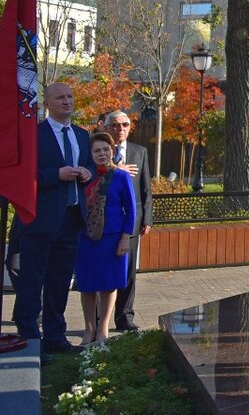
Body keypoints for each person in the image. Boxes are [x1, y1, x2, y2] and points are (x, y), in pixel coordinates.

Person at [13, 82, 93, 356]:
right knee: (32, 282)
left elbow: (92, 166)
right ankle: (29, 337)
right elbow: (23, 177)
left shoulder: (82, 135)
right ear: (47, 103)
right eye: (60, 98)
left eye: (70, 96)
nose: (67, 101)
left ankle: (55, 337)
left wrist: (87, 173)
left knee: (60, 282)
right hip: (40, 220)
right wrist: (55, 176)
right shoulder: (35, 135)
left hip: (71, 219)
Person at [74, 132, 136, 345]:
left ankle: (103, 329)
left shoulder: (121, 176)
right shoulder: (84, 177)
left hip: (112, 238)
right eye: (97, 150)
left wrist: (125, 238)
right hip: (86, 238)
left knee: (109, 284)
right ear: (90, 154)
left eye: (106, 149)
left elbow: (131, 209)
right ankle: (89, 329)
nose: (102, 154)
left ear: (112, 150)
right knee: (87, 284)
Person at [103, 110, 153, 332]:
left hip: (132, 221)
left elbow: (146, 189)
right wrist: (116, 169)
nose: (120, 129)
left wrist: (148, 218)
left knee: (127, 272)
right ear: (106, 128)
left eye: (124, 124)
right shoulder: (99, 150)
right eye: (115, 125)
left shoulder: (139, 151)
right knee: (103, 269)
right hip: (105, 222)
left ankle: (124, 317)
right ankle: (99, 320)